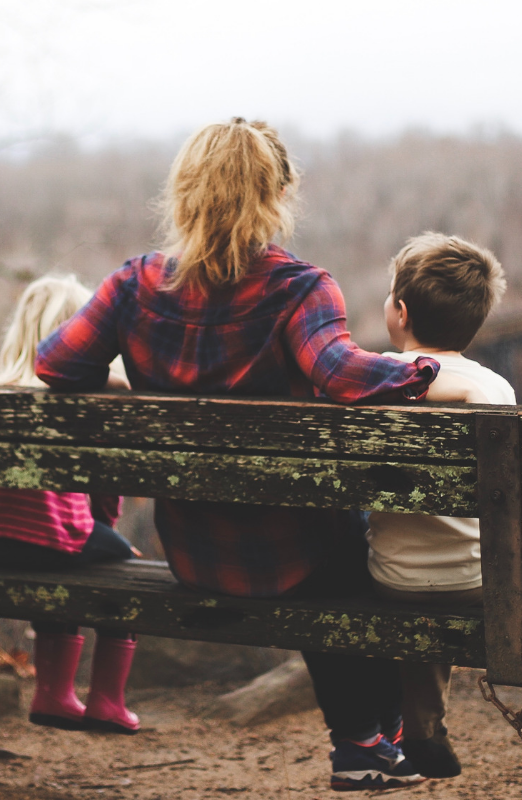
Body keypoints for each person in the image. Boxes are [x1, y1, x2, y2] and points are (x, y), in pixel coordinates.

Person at [34, 118, 484, 790]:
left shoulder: (133, 286)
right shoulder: (297, 288)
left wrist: (127, 380)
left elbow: (54, 364)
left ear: (184, 191)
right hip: (293, 554)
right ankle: (370, 741)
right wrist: (425, 372)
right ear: (277, 194)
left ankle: (374, 742)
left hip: (193, 551)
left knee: (339, 546)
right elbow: (341, 375)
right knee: (369, 550)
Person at [0, 274, 140, 735]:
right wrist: (109, 534)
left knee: (64, 553)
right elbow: (102, 492)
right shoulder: (78, 400)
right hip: (49, 539)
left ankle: (53, 694)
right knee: (124, 568)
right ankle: (105, 702)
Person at [366, 232, 514, 778]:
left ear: (399, 312)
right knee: (461, 555)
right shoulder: (494, 388)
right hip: (481, 579)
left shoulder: (374, 379)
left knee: (426, 562)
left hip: (392, 576)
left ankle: (423, 727)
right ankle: (424, 727)